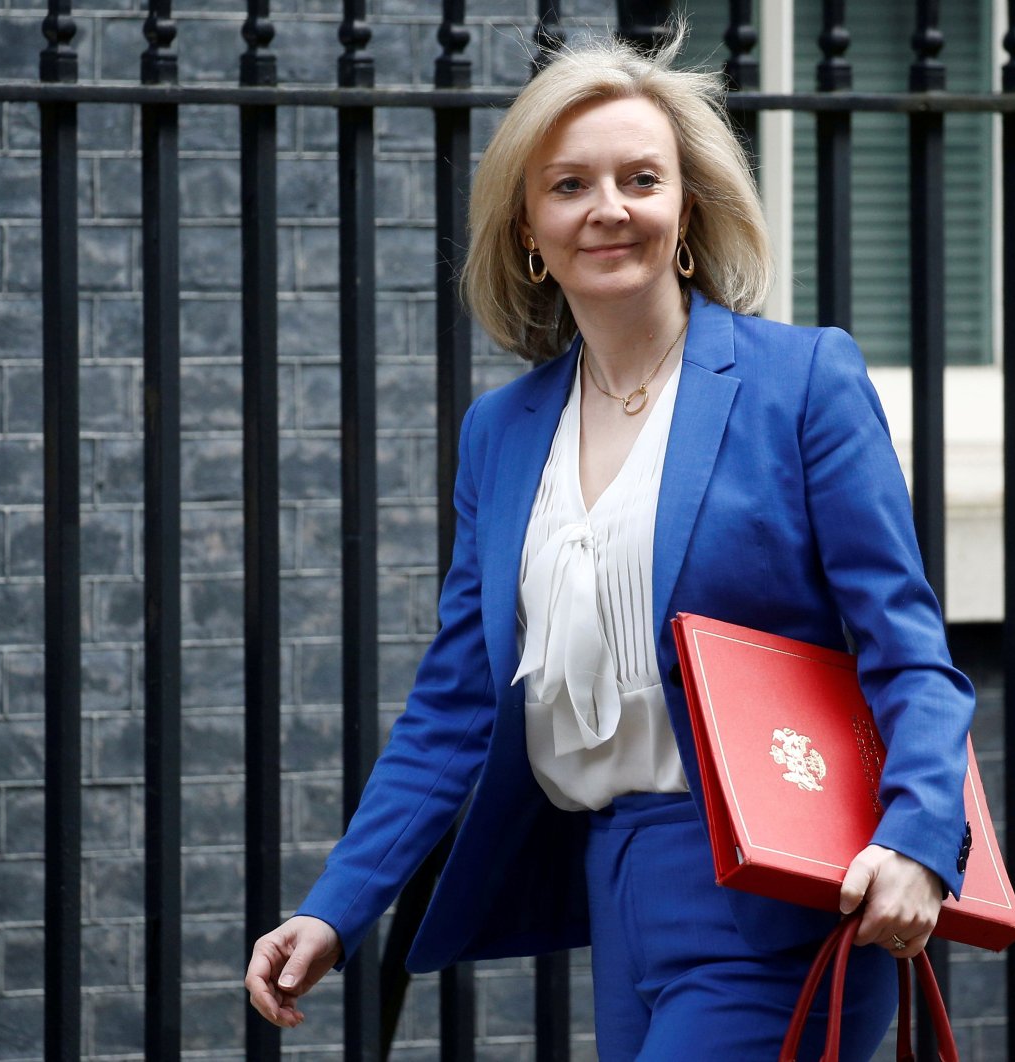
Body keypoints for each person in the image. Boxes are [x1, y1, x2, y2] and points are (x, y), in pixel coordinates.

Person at [245, 26, 974, 1060]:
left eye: (641, 178)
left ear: (683, 213)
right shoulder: (501, 436)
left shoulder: (798, 383)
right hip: (613, 890)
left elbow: (909, 649)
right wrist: (335, 909)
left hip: (779, 900)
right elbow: (458, 702)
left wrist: (916, 836)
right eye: (570, 185)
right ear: (529, 232)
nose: (609, 208)